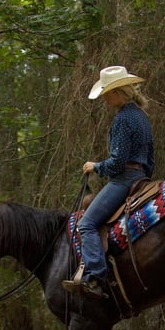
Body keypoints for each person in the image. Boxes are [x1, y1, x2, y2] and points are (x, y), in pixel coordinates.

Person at [63, 65, 155, 299]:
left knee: (86, 224)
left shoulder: (123, 119)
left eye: (106, 93)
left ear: (116, 93)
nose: (104, 98)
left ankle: (96, 277)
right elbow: (151, 157)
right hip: (142, 178)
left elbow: (117, 163)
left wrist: (95, 167)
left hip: (124, 179)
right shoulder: (141, 116)